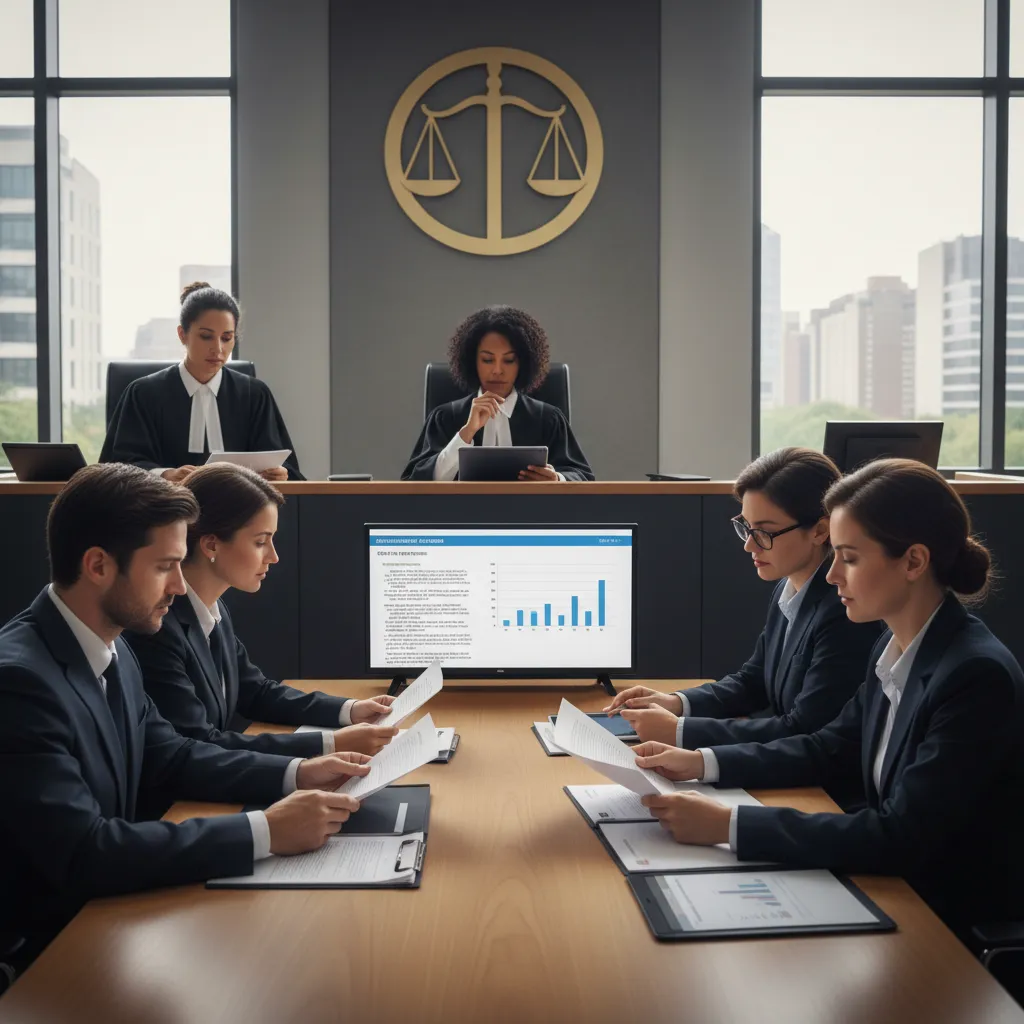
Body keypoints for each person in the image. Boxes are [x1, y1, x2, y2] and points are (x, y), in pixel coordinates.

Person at [0, 464, 370, 970]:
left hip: (109, 913)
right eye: (163, 567)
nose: (179, 585)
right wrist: (262, 831)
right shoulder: (20, 683)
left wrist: (299, 772)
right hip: (47, 953)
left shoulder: (111, 646)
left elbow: (171, 755)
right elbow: (84, 853)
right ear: (98, 565)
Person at [631, 458, 1024, 929]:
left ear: (914, 561)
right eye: (834, 554)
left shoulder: (974, 675)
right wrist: (699, 763)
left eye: (851, 558)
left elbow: (902, 834)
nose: (833, 575)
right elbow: (827, 747)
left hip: (942, 916)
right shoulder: (896, 644)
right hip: (891, 883)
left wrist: (728, 825)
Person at [604, 448, 880, 754]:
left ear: (819, 530)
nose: (750, 544)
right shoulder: (789, 587)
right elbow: (754, 681)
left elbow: (804, 727)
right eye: (746, 527)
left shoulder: (845, 610)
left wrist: (681, 731)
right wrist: (677, 703)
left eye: (764, 532)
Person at [125, 463, 397, 771]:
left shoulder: (212, 609)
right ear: (211, 543)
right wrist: (329, 744)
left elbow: (255, 691)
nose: (273, 556)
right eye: (260, 541)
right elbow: (199, 742)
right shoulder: (158, 628)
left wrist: (351, 710)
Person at [100, 282, 304, 482]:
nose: (218, 349)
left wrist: (280, 473)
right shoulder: (143, 393)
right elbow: (119, 467)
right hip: (164, 509)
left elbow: (286, 467)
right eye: (206, 337)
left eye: (226, 338)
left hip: (241, 510)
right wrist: (165, 474)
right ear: (182, 335)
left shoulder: (254, 394)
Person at [401, 305, 594, 482]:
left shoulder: (549, 419)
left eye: (509, 360)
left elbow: (582, 477)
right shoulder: (444, 417)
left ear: (523, 363)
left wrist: (557, 479)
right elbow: (414, 484)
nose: (497, 370)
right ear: (472, 361)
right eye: (487, 360)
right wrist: (466, 433)